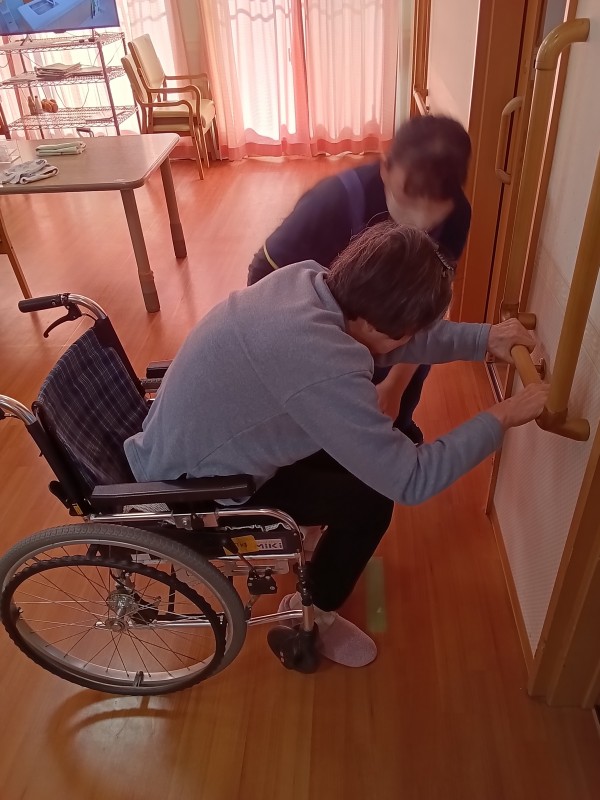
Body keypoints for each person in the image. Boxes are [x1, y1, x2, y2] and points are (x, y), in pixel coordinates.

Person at [124, 222, 548, 669]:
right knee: (372, 502)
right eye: (407, 332)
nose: (409, 342)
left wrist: (485, 339)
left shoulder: (308, 280)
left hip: (187, 440)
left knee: (390, 445)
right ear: (379, 323)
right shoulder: (323, 362)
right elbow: (412, 480)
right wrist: (502, 416)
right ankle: (312, 618)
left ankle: (313, 545)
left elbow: (391, 341)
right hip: (196, 483)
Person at [247, 114, 473, 445]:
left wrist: (394, 386)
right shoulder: (332, 202)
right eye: (407, 198)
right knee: (329, 431)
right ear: (386, 169)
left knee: (392, 414)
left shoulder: (457, 215)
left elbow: (430, 310)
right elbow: (263, 279)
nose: (418, 218)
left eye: (433, 208)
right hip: (324, 337)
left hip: (400, 341)